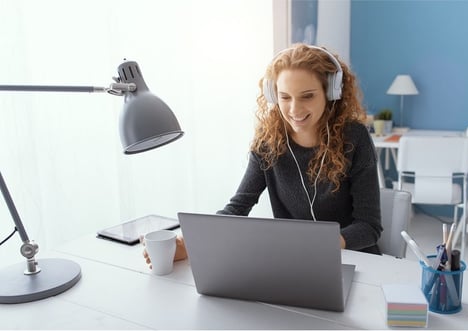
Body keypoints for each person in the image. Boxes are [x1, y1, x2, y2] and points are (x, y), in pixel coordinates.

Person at [144, 43, 382, 268]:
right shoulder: (269, 141)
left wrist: (321, 246)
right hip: (294, 264)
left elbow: (369, 226)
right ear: (273, 95)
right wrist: (191, 244)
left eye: (307, 96)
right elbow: (238, 208)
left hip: (355, 261)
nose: (294, 109)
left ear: (330, 92)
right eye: (285, 97)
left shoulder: (354, 138)